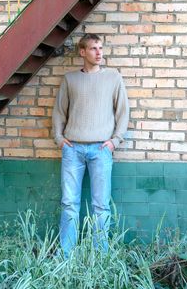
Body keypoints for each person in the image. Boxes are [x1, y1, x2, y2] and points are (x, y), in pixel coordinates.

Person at [52, 33, 129, 258]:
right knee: (69, 204)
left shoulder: (113, 78)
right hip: (72, 149)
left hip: (101, 150)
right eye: (94, 48)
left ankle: (100, 255)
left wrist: (115, 141)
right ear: (82, 52)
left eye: (101, 48)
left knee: (101, 207)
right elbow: (59, 111)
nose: (99, 53)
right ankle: (66, 255)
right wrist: (59, 138)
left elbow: (123, 111)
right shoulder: (70, 79)